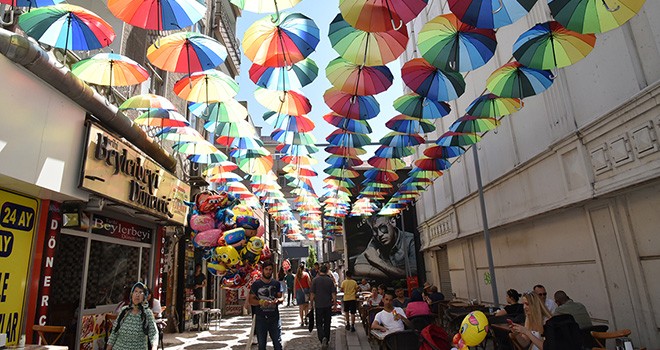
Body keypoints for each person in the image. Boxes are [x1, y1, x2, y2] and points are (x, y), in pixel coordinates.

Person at [353, 215, 417, 279]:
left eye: (383, 227)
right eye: (375, 230)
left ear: (393, 222)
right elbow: (358, 268)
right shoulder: (375, 241)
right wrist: (394, 275)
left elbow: (413, 273)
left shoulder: (410, 240)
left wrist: (377, 261)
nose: (380, 234)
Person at [107, 282, 158, 350]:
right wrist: (108, 348)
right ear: (131, 294)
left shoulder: (147, 313)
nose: (137, 294)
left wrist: (154, 347)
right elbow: (114, 332)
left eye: (140, 292)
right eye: (135, 291)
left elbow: (153, 333)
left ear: (144, 296)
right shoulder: (124, 311)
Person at [249, 261, 284, 350]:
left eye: (270, 270)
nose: (268, 271)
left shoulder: (276, 284)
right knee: (261, 345)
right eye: (266, 269)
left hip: (274, 318)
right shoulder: (256, 285)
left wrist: (277, 301)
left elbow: (281, 298)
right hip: (261, 318)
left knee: (277, 343)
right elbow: (251, 300)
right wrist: (260, 302)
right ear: (262, 270)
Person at [310, 265, 337, 350]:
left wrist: (311, 304)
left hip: (318, 305)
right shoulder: (329, 281)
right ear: (326, 271)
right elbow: (333, 294)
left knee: (319, 323)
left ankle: (322, 338)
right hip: (328, 305)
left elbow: (312, 294)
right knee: (327, 323)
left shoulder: (315, 280)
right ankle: (326, 338)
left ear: (319, 271)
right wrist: (335, 304)